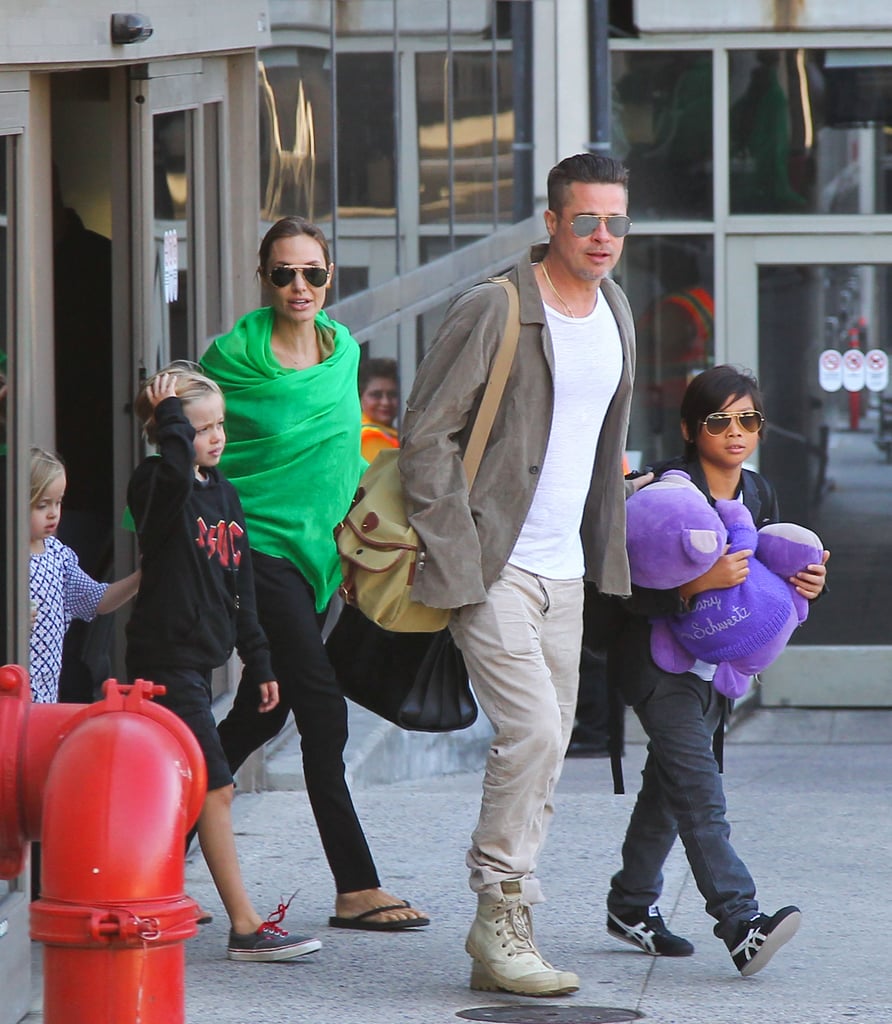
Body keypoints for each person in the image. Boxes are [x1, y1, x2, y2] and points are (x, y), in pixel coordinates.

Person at [398, 153, 641, 996]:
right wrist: (459, 561)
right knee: (532, 732)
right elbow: (424, 436)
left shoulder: (615, 309)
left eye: (614, 220)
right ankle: (497, 908)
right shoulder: (497, 309)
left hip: (566, 573)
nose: (602, 236)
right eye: (585, 220)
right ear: (552, 223)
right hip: (493, 565)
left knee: (548, 747)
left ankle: (508, 927)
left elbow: (598, 447)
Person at [200, 216, 429, 932]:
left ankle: (150, 848)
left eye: (313, 273)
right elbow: (191, 444)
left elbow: (339, 459)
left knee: (261, 713)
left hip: (321, 556)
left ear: (330, 278)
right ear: (263, 278)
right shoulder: (231, 358)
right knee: (322, 711)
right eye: (284, 273)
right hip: (255, 548)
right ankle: (356, 886)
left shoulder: (342, 352)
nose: (300, 286)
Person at [605, 364, 829, 976]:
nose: (736, 432)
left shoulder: (757, 492)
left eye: (748, 420)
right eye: (719, 420)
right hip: (658, 662)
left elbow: (770, 572)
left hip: (715, 668)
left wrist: (807, 580)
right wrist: (694, 584)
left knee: (671, 789)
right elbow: (621, 587)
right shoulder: (663, 493)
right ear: (689, 427)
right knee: (701, 795)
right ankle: (740, 922)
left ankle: (629, 904)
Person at [127, 362, 321, 962]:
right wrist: (172, 432)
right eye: (198, 427)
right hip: (164, 659)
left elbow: (241, 585)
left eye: (218, 426)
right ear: (168, 432)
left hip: (201, 661)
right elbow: (171, 492)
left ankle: (154, 890)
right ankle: (245, 926)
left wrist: (259, 662)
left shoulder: (225, 493)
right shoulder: (156, 486)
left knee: (182, 787)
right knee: (218, 788)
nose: (213, 438)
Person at [29, 447, 140, 705]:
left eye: (58, 502)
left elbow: (96, 599)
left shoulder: (58, 555)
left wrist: (139, 578)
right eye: (42, 504)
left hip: (46, 695)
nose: (53, 513)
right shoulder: (10, 559)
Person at [358, 356, 400, 463]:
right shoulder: (370, 437)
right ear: (360, 397)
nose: (385, 402)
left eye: (392, 394)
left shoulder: (390, 433)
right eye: (376, 395)